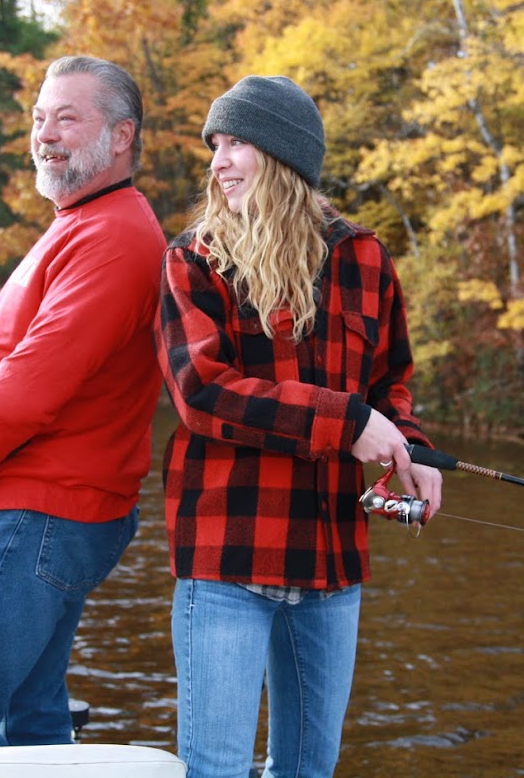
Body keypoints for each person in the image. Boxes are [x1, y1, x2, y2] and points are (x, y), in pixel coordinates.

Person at [154, 75, 444, 778]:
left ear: (284, 155)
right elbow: (203, 393)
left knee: (309, 771)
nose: (218, 160)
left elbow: (391, 382)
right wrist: (346, 423)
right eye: (214, 145)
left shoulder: (365, 257)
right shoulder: (193, 260)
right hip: (227, 558)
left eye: (236, 142)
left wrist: (414, 447)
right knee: (215, 770)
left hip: (330, 564)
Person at [0, 55, 167, 778]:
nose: (46, 135)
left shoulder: (112, 235)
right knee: (34, 725)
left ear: (121, 137)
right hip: (41, 512)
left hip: (39, 518)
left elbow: (32, 382)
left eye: (68, 118)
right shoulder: (82, 223)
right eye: (39, 119)